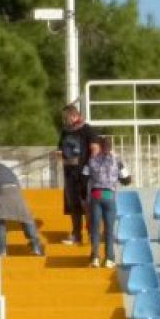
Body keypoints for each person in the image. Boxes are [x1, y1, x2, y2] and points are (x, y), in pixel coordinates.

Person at [56, 104, 97, 246]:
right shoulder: (65, 132)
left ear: (74, 116)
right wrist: (60, 155)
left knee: (88, 205)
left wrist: (89, 168)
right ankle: (76, 235)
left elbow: (95, 149)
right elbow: (60, 149)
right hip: (69, 173)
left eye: (66, 118)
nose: (65, 121)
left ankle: (92, 234)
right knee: (74, 205)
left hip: (85, 173)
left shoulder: (87, 130)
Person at [0, 158, 44, 256]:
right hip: (15, 190)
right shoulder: (3, 168)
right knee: (26, 218)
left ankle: (1, 250)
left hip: (1, 191)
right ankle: (36, 246)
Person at [84, 135, 122, 268]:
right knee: (109, 229)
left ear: (100, 146)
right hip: (109, 194)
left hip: (96, 194)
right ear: (111, 147)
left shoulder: (92, 160)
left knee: (95, 228)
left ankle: (95, 257)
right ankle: (109, 259)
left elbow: (84, 176)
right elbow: (126, 179)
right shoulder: (117, 160)